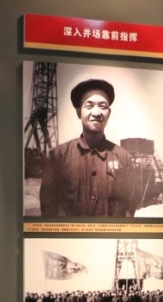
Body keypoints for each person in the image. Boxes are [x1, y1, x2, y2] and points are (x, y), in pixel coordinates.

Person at [38, 78, 140, 218]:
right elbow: (48, 207)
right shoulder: (58, 156)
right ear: (78, 112)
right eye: (89, 106)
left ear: (109, 114)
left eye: (103, 106)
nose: (96, 113)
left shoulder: (124, 157)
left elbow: (130, 207)